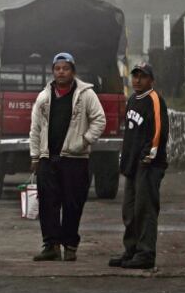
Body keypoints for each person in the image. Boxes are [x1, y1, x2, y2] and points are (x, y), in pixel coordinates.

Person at [29, 52, 106, 261]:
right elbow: (35, 129)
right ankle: (51, 246)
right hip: (48, 158)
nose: (61, 72)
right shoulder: (44, 96)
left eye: (65, 68)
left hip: (75, 160)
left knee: (73, 204)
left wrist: (84, 141)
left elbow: (99, 120)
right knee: (48, 203)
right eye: (57, 68)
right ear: (53, 71)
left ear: (73, 70)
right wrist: (35, 156)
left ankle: (70, 246)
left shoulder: (86, 94)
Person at [110, 61, 168, 270]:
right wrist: (125, 160)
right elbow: (130, 133)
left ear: (151, 79)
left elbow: (158, 130)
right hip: (133, 165)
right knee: (130, 210)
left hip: (149, 165)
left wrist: (148, 156)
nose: (137, 80)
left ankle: (146, 253)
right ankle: (131, 250)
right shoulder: (133, 99)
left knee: (145, 209)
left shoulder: (154, 100)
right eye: (135, 76)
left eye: (142, 76)